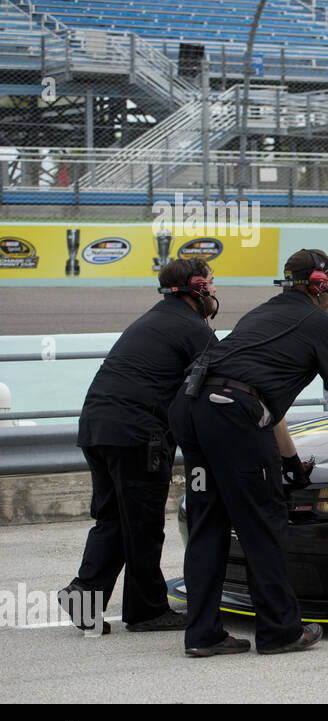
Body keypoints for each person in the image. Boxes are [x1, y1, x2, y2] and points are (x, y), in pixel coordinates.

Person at [168, 249, 328, 657]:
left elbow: (266, 403)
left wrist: (290, 462)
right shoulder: (323, 325)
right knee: (264, 522)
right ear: (316, 283)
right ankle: (280, 631)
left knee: (209, 525)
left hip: (192, 407)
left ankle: (203, 634)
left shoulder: (260, 315)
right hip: (233, 413)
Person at [60, 258, 219, 634]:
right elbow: (220, 381)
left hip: (97, 428)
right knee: (144, 525)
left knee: (113, 518)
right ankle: (146, 611)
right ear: (196, 288)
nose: (214, 289)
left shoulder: (152, 319)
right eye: (211, 283)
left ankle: (83, 593)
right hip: (137, 436)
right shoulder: (193, 328)